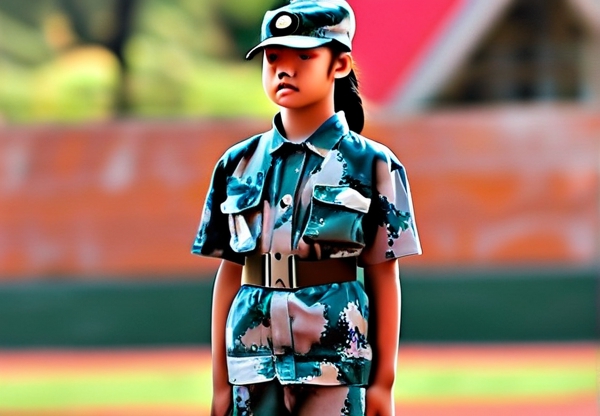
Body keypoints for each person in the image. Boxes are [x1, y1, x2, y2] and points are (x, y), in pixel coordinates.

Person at [192, 1, 421, 414]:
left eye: (303, 57)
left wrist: (382, 384)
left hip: (333, 362)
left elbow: (384, 276)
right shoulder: (238, 164)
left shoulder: (372, 164)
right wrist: (220, 383)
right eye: (273, 58)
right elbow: (230, 273)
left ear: (340, 65)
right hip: (252, 363)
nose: (285, 70)